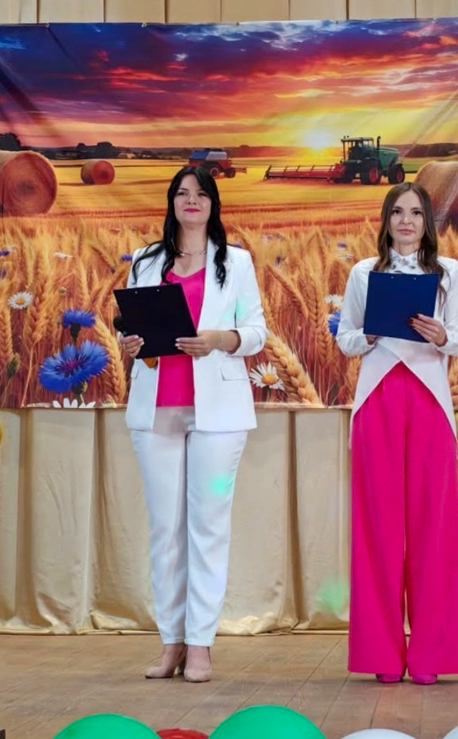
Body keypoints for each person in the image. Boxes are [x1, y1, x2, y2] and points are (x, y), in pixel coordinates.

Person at [118, 166, 267, 683]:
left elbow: (257, 332)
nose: (192, 201)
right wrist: (130, 343)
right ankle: (171, 643)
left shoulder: (236, 262)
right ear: (172, 202)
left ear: (213, 204)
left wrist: (221, 339)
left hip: (218, 411)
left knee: (207, 527)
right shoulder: (146, 260)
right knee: (165, 530)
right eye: (182, 193)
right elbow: (132, 326)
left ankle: (201, 644)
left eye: (201, 194)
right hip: (156, 407)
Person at [335, 182, 458, 685]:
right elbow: (347, 338)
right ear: (386, 220)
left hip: (430, 402)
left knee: (434, 529)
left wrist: (442, 335)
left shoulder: (448, 273)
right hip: (378, 400)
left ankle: (432, 656)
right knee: (378, 528)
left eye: (416, 212)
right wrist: (369, 333)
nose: (407, 221)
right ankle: (382, 655)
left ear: (427, 221)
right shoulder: (363, 272)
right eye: (397, 212)